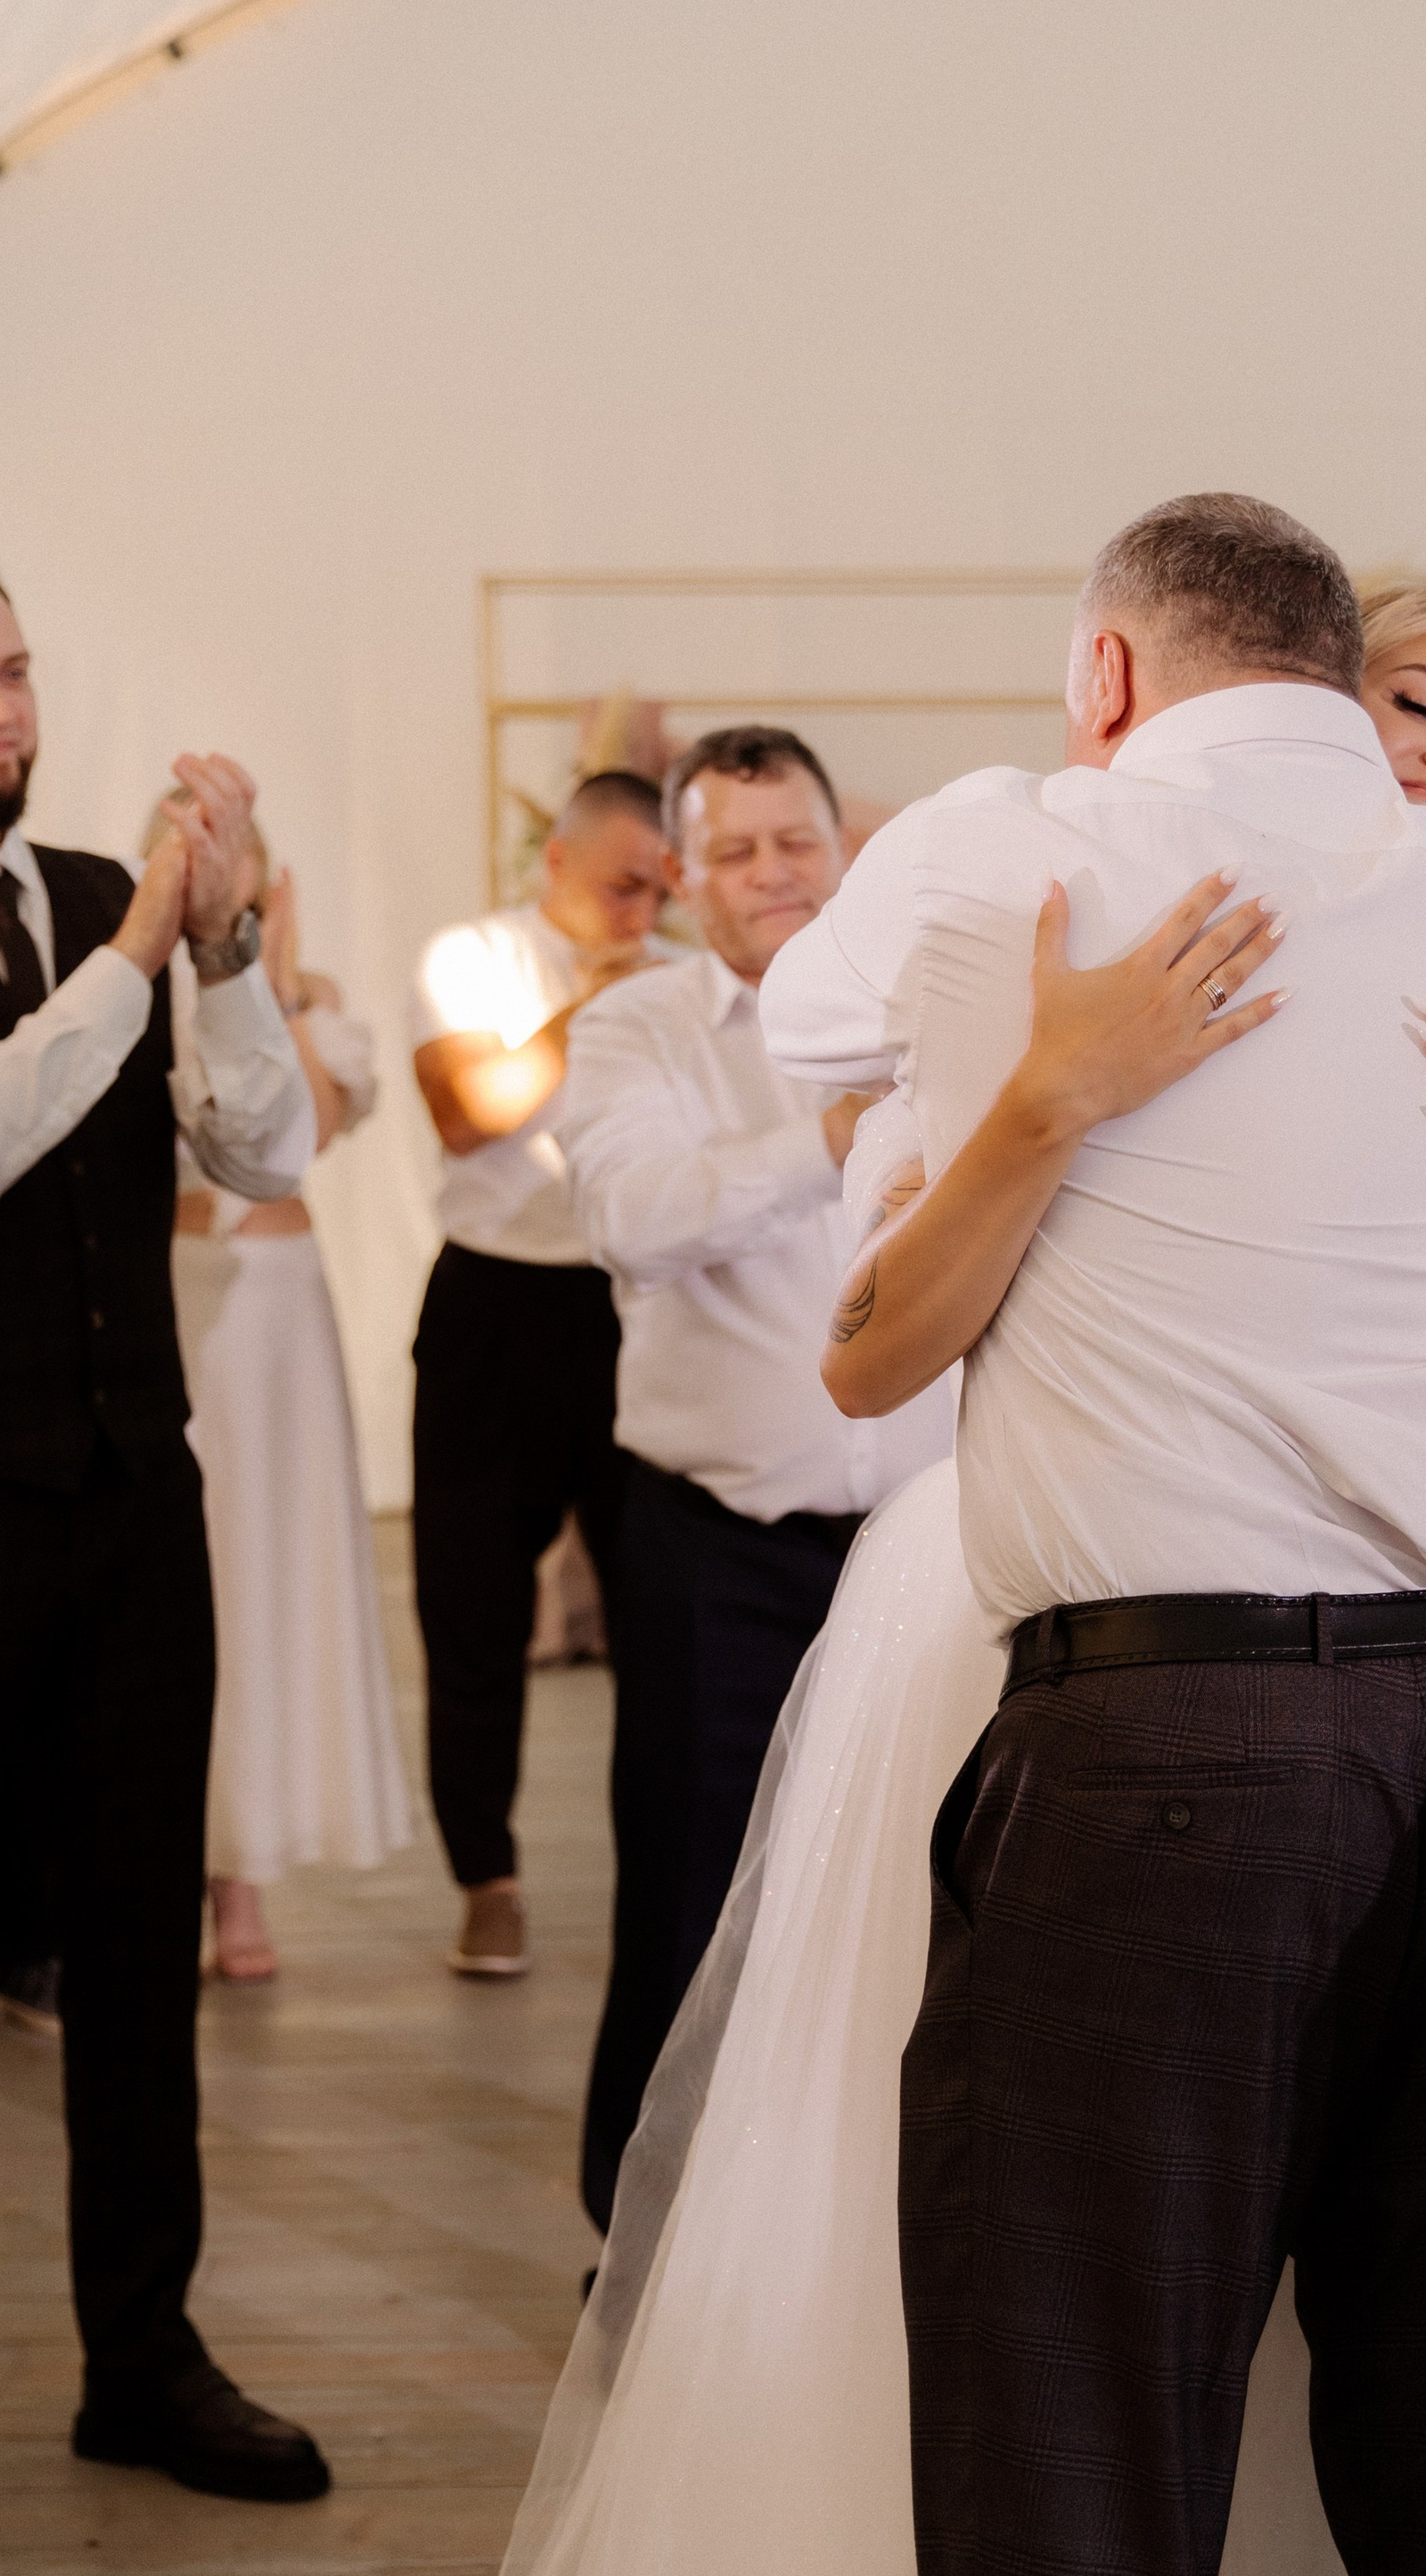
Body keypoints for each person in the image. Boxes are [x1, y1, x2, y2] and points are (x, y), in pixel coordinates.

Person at [362, 509, 1426, 2576]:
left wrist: (1036, 1085)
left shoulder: (1008, 846)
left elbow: (845, 1232)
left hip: (1179, 1741)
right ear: (1354, 683)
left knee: (1076, 2536)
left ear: (1110, 671)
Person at [0, 531, 329, 2502]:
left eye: (8, 672)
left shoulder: (115, 906)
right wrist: (135, 957)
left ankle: (142, 2360)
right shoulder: (106, 938)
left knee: (134, 1944)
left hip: (126, 1504)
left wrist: (227, 945)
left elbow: (261, 1144)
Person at [557, 725, 953, 2232]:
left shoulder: (934, 1013)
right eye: (734, 850)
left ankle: (850, 2226)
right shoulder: (638, 1026)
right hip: (711, 1543)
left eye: (795, 842)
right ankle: (641, 2236)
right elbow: (634, 1214)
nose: (771, 873)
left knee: (910, 1887)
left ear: (839, 850)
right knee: (688, 1890)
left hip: (923, 1538)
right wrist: (819, 1133)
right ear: (682, 872)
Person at [408, 772, 670, 1978]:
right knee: (472, 1605)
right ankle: (487, 1879)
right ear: (556, 864)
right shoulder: (476, 953)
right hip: (494, 1304)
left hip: (631, 1302)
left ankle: (669, 1880)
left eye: (659, 887)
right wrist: (594, 1009)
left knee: (663, 1611)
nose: (640, 908)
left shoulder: (681, 974)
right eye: (622, 884)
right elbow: (474, 1114)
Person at [164, 827, 410, 1981]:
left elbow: (295, 1131)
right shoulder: (135, 986)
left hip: (285, 1302)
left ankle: (246, 1870)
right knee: (198, 1572)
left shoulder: (311, 996)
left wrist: (274, 985)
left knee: (274, 1568)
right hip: (189, 1295)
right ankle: (197, 1868)